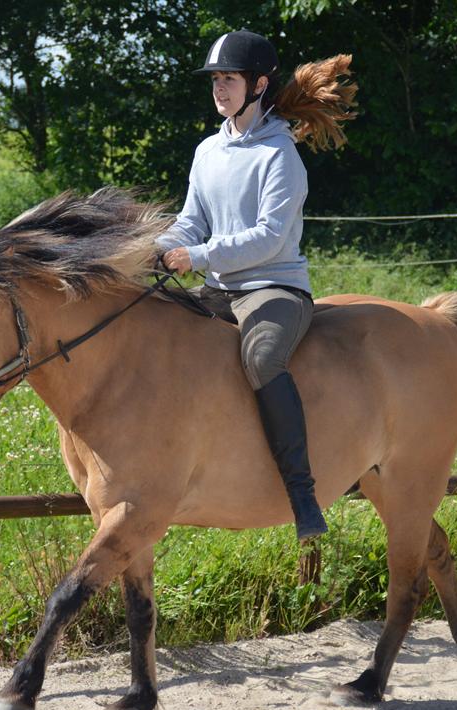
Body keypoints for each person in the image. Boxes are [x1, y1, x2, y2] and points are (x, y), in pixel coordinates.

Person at [156, 29, 357, 544]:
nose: (219, 88)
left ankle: (302, 492)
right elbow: (190, 220)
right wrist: (156, 245)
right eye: (216, 79)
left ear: (259, 84)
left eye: (229, 79)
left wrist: (197, 256)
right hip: (218, 289)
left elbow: (268, 239)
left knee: (263, 359)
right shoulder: (208, 150)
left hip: (273, 287)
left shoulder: (280, 155)